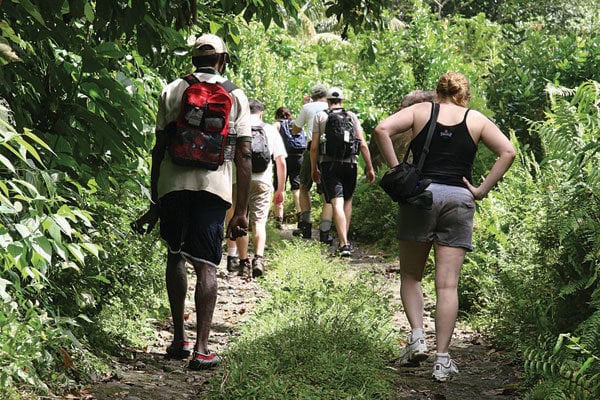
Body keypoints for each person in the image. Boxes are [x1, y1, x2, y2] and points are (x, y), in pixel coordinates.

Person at [373, 72, 515, 382]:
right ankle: (442, 359)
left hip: (420, 195)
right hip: (459, 198)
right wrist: (481, 190)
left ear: (437, 92)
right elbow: (508, 152)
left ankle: (417, 337)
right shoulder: (476, 119)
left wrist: (398, 169)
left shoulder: (421, 110)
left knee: (411, 275)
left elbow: (382, 129)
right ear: (465, 95)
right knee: (447, 285)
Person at [132, 34, 252, 370]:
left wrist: (156, 198)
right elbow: (244, 153)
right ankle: (202, 349)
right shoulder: (235, 94)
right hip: (214, 188)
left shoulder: (172, 89)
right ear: (222, 60)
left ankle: (178, 339)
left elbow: (158, 148)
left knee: (175, 255)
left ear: (193, 59)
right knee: (206, 265)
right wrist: (240, 211)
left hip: (173, 184)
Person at [311, 86, 375, 256]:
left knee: (336, 203)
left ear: (327, 100)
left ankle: (344, 244)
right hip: (350, 164)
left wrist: (314, 168)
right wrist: (369, 167)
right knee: (347, 202)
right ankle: (343, 242)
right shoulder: (351, 116)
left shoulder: (321, 116)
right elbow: (362, 143)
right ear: (342, 101)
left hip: (329, 164)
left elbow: (314, 147)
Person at [226, 99, 287, 278]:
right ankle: (258, 258)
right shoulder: (269, 130)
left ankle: (244, 262)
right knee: (258, 222)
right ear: (261, 113)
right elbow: (281, 161)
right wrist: (280, 189)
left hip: (238, 181)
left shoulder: (237, 128)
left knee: (240, 218)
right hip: (263, 181)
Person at [292, 84, 334, 243]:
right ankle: (325, 231)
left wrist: (305, 107)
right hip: (329, 152)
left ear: (312, 95)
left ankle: (306, 227)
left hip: (311, 150)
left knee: (304, 186)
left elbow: (295, 130)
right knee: (327, 193)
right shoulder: (331, 106)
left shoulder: (307, 107)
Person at [272, 106, 303, 228]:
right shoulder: (296, 124)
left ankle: (278, 219)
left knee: (280, 187)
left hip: (283, 157)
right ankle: (301, 216)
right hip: (298, 157)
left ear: (277, 115)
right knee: (297, 187)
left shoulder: (277, 124)